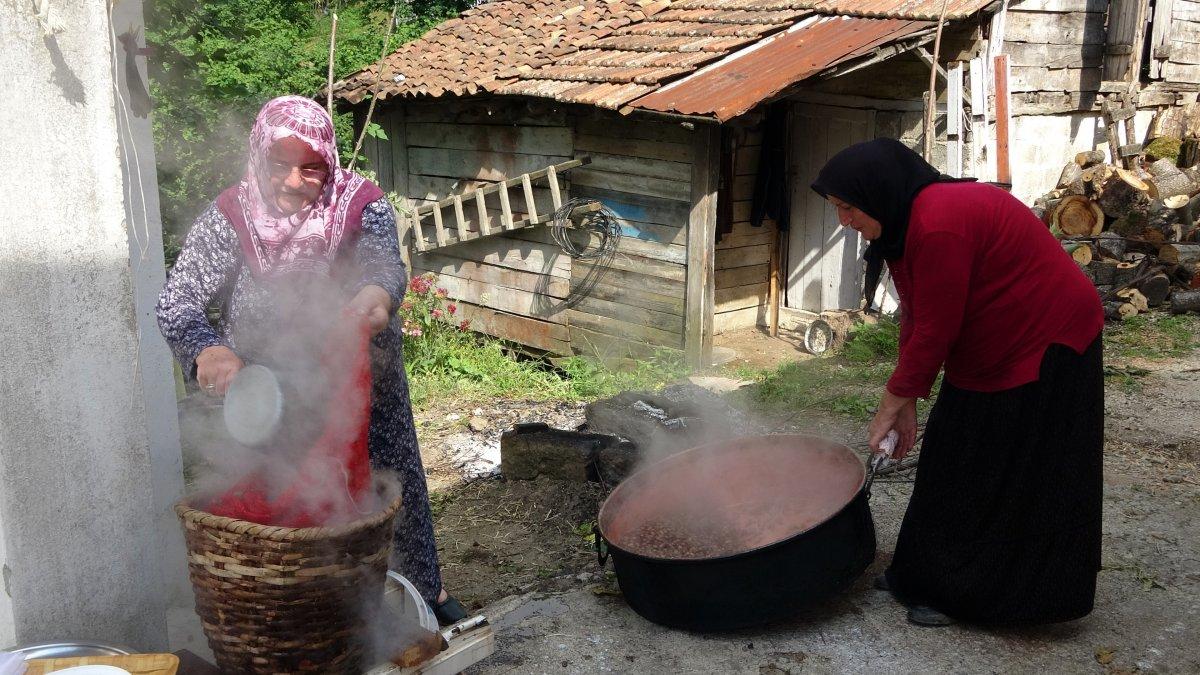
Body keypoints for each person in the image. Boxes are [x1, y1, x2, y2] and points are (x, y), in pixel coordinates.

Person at [157, 95, 467, 625]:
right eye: (281, 164)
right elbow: (178, 300)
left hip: (362, 393)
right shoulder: (230, 215)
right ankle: (307, 619)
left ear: (330, 162)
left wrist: (374, 294)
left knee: (392, 490)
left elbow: (381, 263)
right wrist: (207, 349)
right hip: (267, 400)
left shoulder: (361, 205)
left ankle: (424, 595)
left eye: (312, 168)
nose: (295, 181)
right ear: (259, 157)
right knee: (285, 511)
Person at [811, 138, 1105, 627]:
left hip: (1047, 341)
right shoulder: (905, 224)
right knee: (954, 451)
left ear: (877, 192)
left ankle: (979, 595)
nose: (844, 220)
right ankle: (922, 574)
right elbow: (918, 315)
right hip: (992, 340)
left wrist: (891, 402)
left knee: (1006, 470)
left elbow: (937, 329)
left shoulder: (939, 221)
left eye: (847, 207)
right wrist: (905, 402)